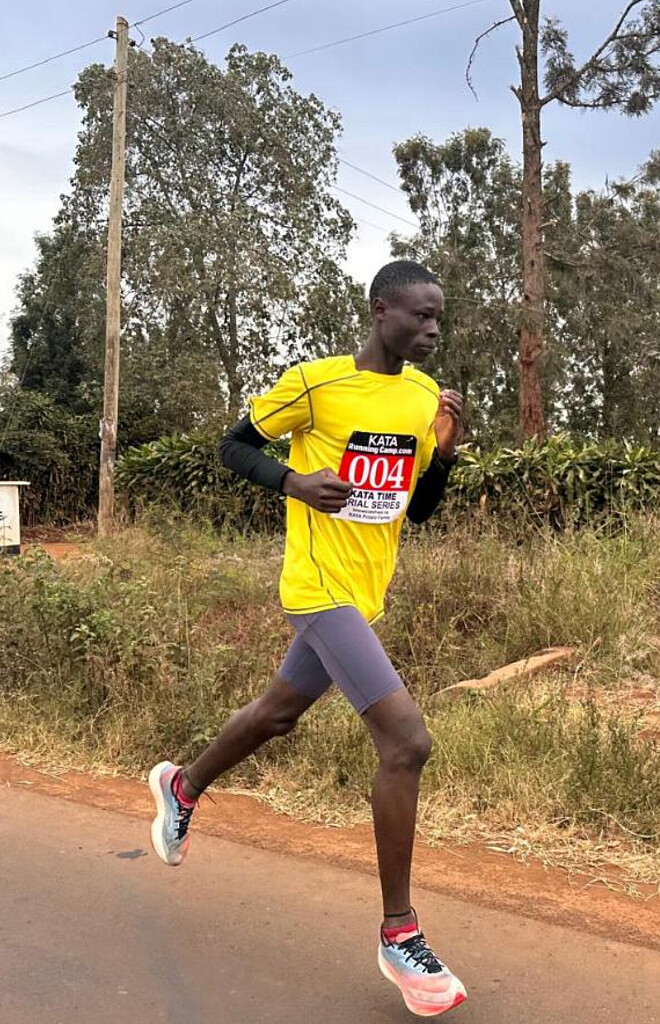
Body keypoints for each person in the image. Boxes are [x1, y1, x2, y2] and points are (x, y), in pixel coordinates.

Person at [149, 260, 467, 1017]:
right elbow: (233, 446)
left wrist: (444, 454)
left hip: (363, 593)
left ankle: (182, 786)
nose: (432, 330)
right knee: (407, 742)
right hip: (316, 586)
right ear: (380, 310)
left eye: (438, 319)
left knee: (278, 714)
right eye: (420, 316)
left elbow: (418, 508)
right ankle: (399, 933)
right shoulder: (317, 384)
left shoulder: (422, 396)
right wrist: (292, 483)